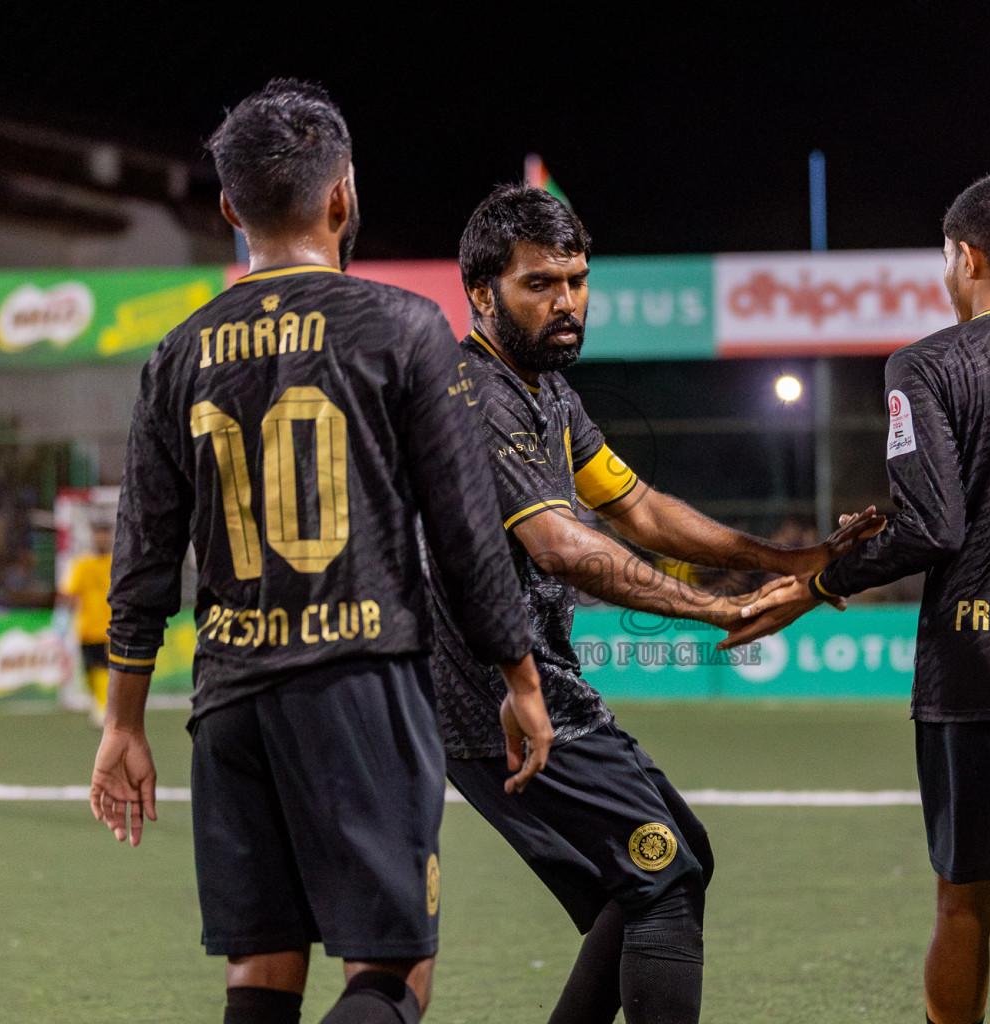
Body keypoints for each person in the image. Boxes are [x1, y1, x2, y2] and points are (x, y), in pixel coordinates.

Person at [89, 80, 552, 1024]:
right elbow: (467, 535)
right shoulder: (405, 328)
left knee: (261, 971)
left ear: (228, 209)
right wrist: (522, 675)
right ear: (342, 193)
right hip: (358, 684)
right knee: (393, 972)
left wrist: (122, 722)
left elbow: (141, 558)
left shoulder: (177, 353)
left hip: (228, 700)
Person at [430, 184, 883, 1024]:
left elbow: (636, 509)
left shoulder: (546, 393)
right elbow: (565, 548)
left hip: (542, 693)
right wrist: (713, 611)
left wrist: (784, 558)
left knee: (668, 868)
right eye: (540, 284)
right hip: (494, 705)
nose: (566, 302)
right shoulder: (474, 395)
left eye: (576, 278)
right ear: (482, 293)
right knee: (661, 877)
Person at [729, 174, 990, 1024]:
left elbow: (934, 531)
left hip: (974, 673)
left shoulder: (927, 364)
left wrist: (817, 583)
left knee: (963, 905)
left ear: (967, 255)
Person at [58, 525, 115, 725]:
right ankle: (100, 704)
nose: (100, 541)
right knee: (90, 670)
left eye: (104, 536)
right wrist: (63, 616)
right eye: (97, 537)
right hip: (86, 628)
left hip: (111, 628)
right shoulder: (82, 564)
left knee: (105, 668)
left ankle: (104, 707)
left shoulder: (116, 563)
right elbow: (69, 593)